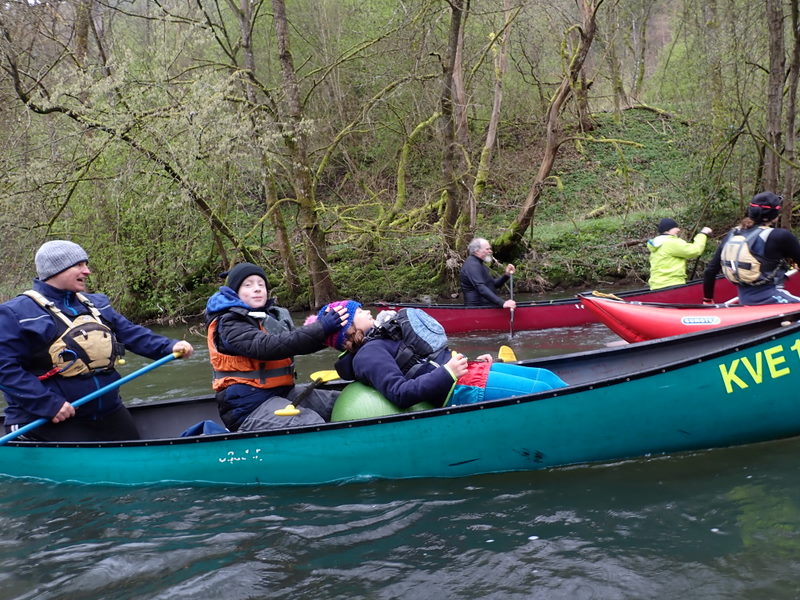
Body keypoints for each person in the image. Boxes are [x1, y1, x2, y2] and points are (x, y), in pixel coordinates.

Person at [0, 240, 195, 442]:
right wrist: (47, 404)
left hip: (108, 411)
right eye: (79, 265)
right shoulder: (15, 313)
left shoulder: (97, 304)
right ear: (55, 270)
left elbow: (131, 333)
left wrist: (169, 346)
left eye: (86, 264)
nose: (87, 271)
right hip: (47, 418)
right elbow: (5, 370)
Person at [327, 301, 567, 409]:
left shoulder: (379, 339)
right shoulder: (368, 355)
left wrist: (470, 361)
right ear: (347, 329)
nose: (366, 311)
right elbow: (400, 393)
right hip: (458, 389)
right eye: (358, 311)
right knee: (543, 391)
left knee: (545, 377)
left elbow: (426, 362)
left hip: (469, 373)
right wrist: (449, 372)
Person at [204, 262, 349, 431]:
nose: (257, 289)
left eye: (261, 284)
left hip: (282, 393)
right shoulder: (229, 322)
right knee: (310, 422)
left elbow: (296, 344)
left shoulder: (269, 317)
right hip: (247, 407)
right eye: (248, 285)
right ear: (234, 292)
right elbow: (267, 346)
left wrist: (339, 337)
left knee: (340, 403)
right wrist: (322, 327)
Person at [703, 192, 800, 305]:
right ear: (775, 216)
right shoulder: (780, 236)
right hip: (773, 298)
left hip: (744, 300)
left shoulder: (732, 234)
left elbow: (710, 271)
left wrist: (707, 299)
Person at [647, 218, 712, 290]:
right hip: (671, 284)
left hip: (656, 286)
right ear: (668, 229)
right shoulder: (671, 242)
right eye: (675, 227)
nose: (678, 229)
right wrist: (703, 234)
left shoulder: (657, 243)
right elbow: (695, 250)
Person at [460, 238, 517, 308]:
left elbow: (493, 284)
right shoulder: (472, 265)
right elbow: (481, 288)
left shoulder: (480, 264)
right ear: (477, 251)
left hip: (487, 307)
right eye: (487, 249)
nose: (490, 251)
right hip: (477, 309)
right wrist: (502, 303)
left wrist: (506, 275)